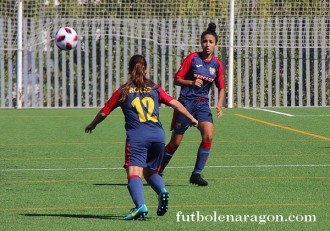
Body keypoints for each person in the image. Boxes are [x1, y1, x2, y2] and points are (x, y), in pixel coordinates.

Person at [85, 54, 198, 220]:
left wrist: (93, 124)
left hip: (138, 137)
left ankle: (140, 206)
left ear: (130, 70)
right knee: (151, 172)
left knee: (134, 174)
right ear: (145, 69)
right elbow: (174, 103)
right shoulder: (154, 88)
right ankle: (162, 191)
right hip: (158, 136)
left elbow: (104, 112)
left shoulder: (123, 90)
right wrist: (191, 117)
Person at [158, 22, 225, 186]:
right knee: (175, 143)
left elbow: (221, 87)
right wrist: (190, 82)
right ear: (201, 43)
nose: (207, 44)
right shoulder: (192, 58)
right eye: (204, 41)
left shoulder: (217, 64)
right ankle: (157, 170)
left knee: (208, 134)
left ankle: (196, 174)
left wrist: (219, 104)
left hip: (202, 104)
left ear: (215, 44)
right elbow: (176, 80)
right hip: (185, 104)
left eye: (210, 42)